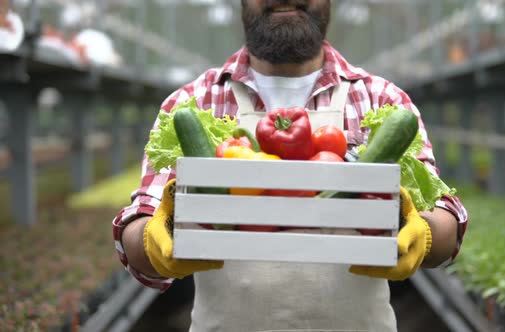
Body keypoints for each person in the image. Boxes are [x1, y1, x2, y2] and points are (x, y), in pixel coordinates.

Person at [113, 1, 469, 331]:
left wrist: (424, 231)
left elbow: (444, 220)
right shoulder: (191, 102)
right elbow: (139, 224)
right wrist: (151, 235)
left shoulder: (384, 99)